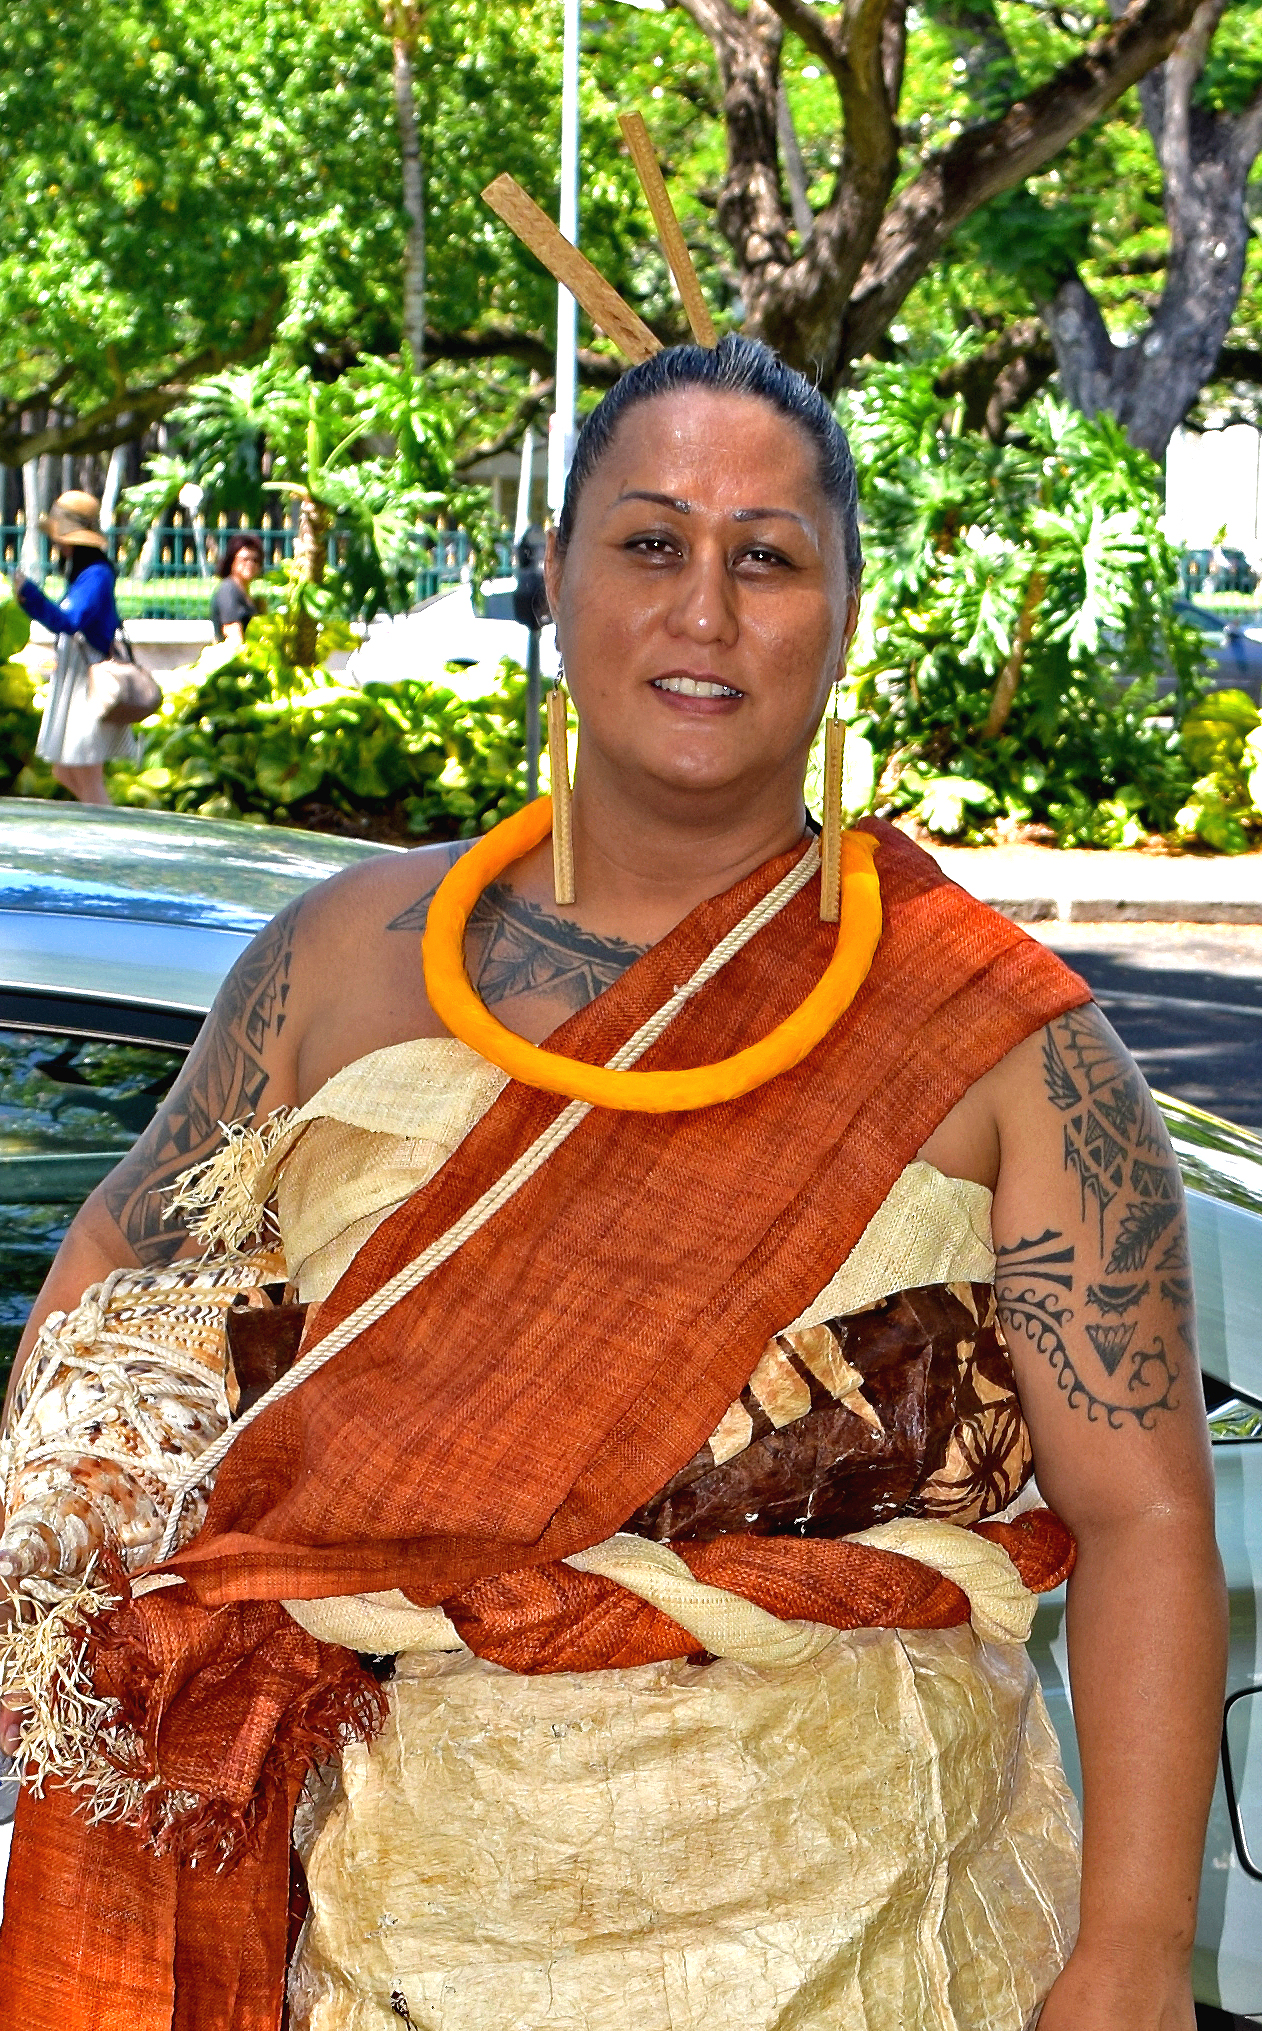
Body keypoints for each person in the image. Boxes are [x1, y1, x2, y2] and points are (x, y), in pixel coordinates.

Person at [0, 338, 1225, 2031]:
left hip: (888, 1943)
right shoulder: (338, 965)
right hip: (391, 1937)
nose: (703, 610)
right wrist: (83, 1652)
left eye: (766, 556)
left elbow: (1144, 1509)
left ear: (844, 612)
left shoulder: (1008, 1041)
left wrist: (1135, 1952)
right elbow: (107, 1306)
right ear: (553, 581)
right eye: (648, 543)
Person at [12, 489, 133, 805]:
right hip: (75, 674)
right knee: (64, 771)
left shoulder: (97, 575)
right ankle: (103, 829)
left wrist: (30, 595)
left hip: (88, 679)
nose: (57, 542)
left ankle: (107, 838)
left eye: (61, 536)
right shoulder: (86, 575)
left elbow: (69, 621)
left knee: (85, 771)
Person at [210, 531, 265, 644]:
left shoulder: (247, 594)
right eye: (244, 559)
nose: (250, 564)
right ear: (232, 562)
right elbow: (234, 637)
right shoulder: (228, 591)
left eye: (255, 560)